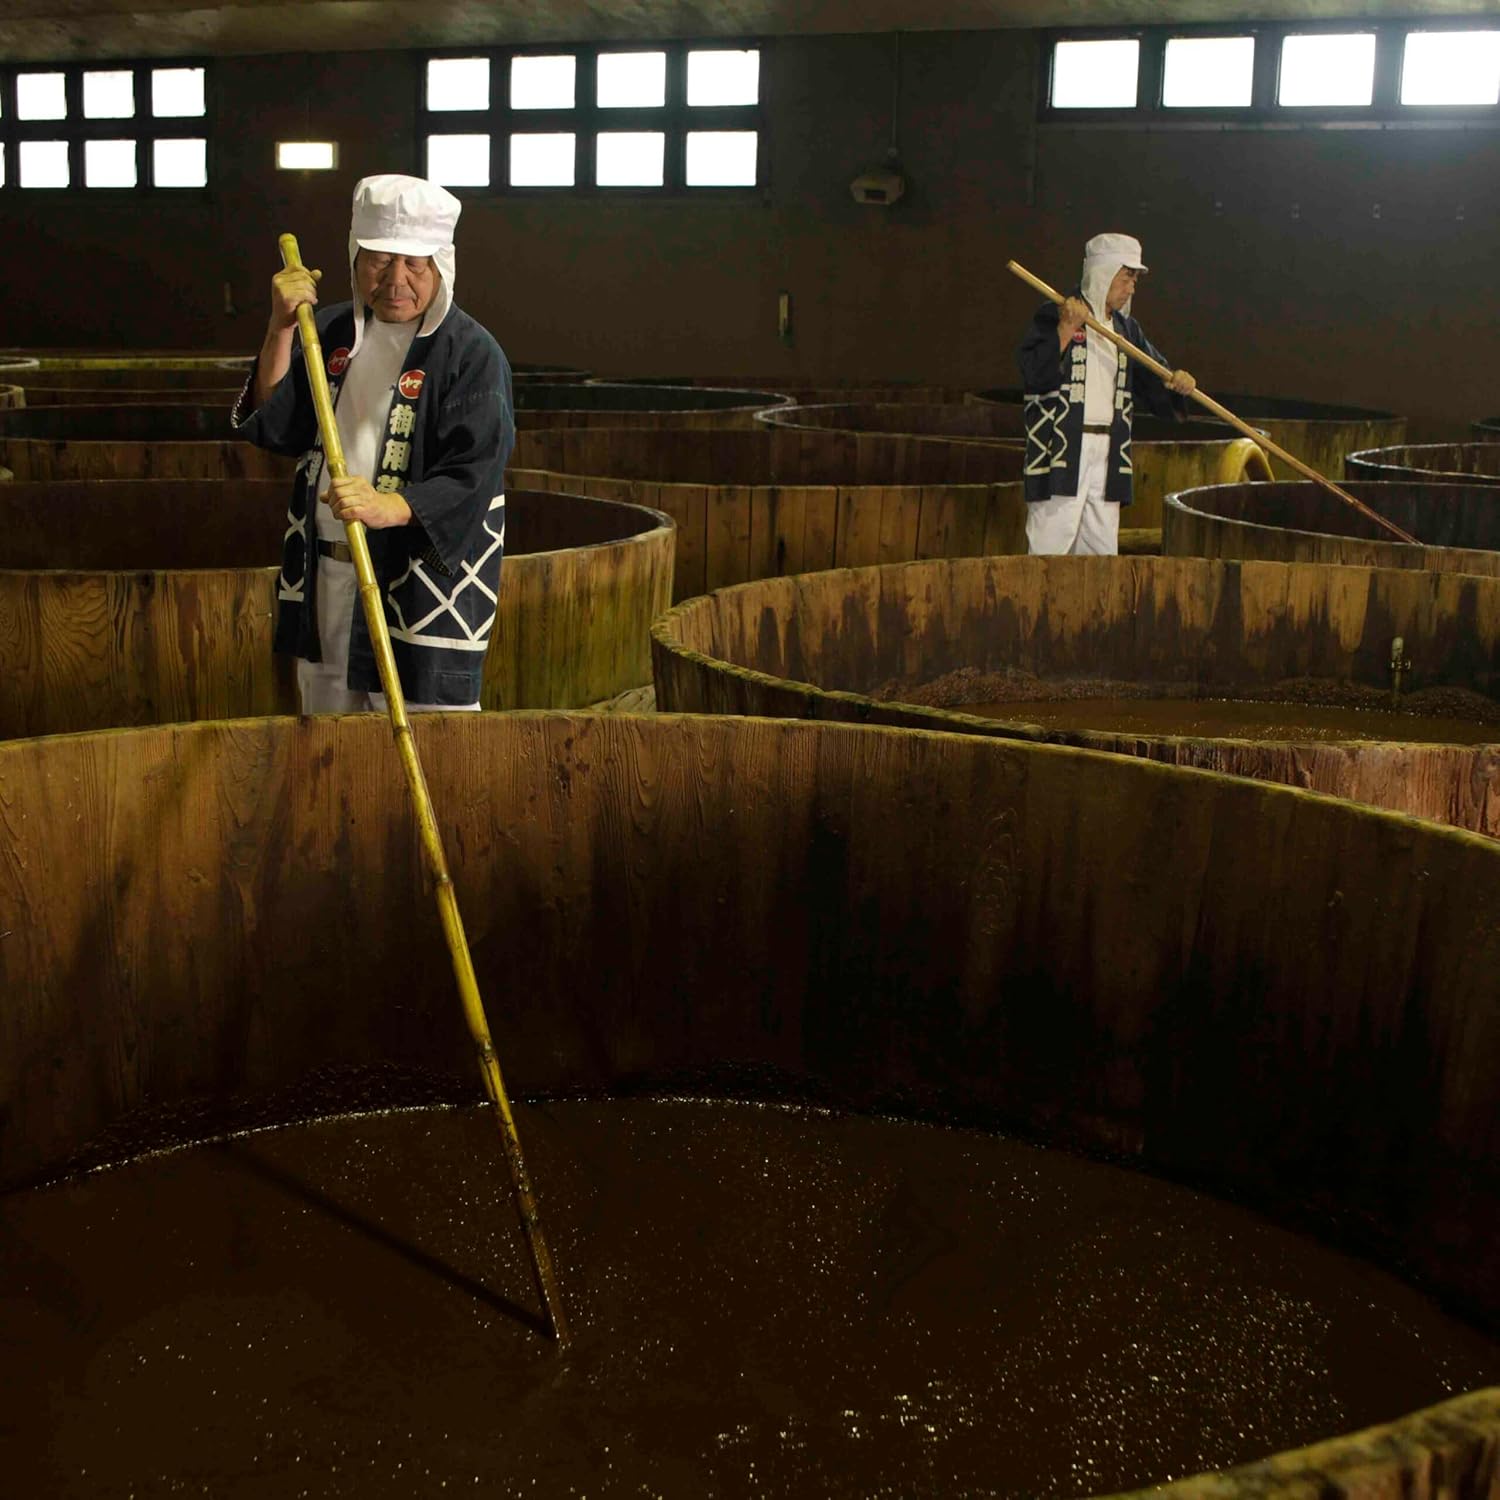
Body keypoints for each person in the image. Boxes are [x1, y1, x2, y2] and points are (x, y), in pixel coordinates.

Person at [234, 173, 513, 712]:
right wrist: (281, 327)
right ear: (355, 257)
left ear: (442, 266)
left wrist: (390, 505)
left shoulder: (470, 353)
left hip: (420, 578)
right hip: (327, 574)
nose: (396, 279)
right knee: (329, 736)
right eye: (380, 259)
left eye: (415, 263)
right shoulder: (328, 332)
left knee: (429, 735)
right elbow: (275, 423)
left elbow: (474, 471)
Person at [1018, 232, 1195, 556]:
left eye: (1135, 281)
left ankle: (1093, 608)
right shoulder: (1056, 313)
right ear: (1103, 273)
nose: (1131, 288)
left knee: (1101, 550)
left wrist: (1176, 382)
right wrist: (1065, 331)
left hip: (1110, 450)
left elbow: (1155, 377)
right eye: (1127, 277)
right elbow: (1034, 374)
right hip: (1063, 448)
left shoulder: (1127, 331)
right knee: (1050, 545)